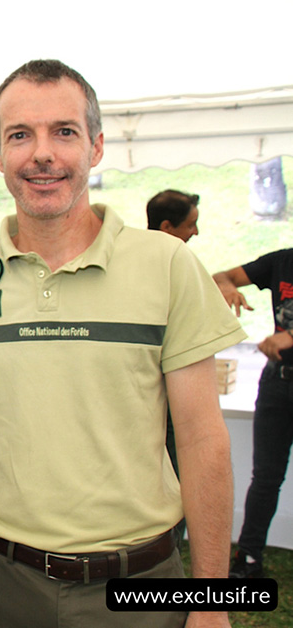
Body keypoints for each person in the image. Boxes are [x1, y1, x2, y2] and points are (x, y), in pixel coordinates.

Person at [0, 59, 245, 628]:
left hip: (141, 587)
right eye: (20, 135)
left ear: (96, 147)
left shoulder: (167, 265)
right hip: (1, 584)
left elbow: (201, 438)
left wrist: (211, 600)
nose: (42, 154)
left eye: (64, 132)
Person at [214, 250, 293, 579]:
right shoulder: (282, 261)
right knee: (265, 478)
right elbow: (222, 275)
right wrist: (228, 286)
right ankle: (247, 559)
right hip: (278, 382)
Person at [147, 188, 203, 541]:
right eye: (191, 225)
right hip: (163, 401)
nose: (196, 232)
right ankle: (168, 542)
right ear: (168, 227)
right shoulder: (168, 269)